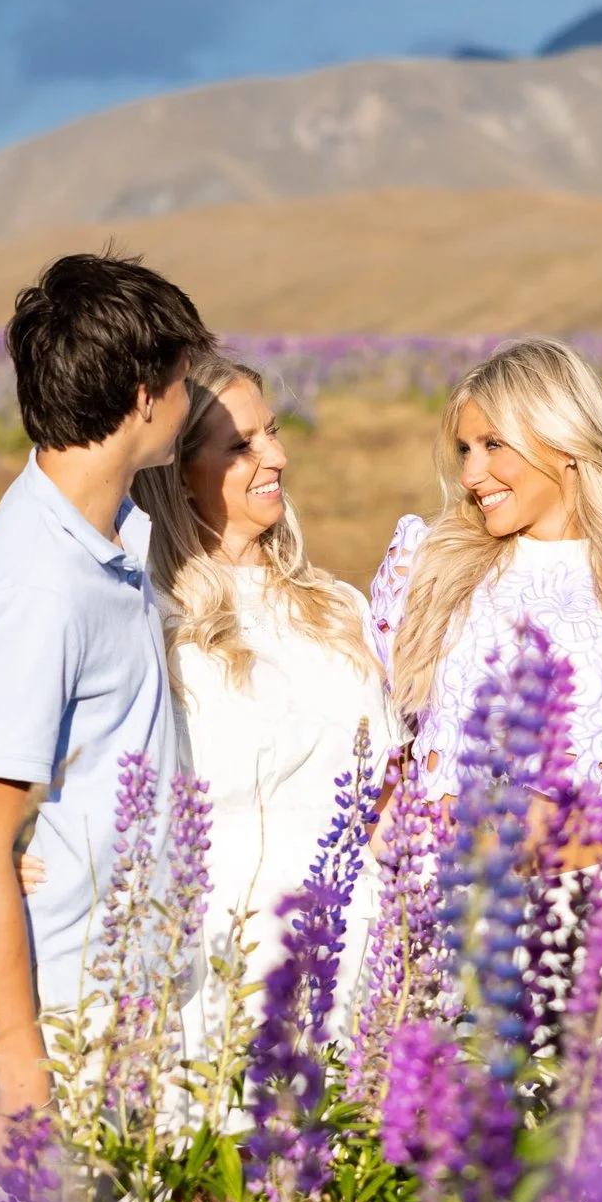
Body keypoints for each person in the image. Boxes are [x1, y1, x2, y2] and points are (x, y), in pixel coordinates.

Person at [0, 251, 212, 1196]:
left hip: (117, 993)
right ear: (141, 397)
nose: (191, 399)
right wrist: (22, 1082)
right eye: (181, 380)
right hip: (52, 1011)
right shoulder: (37, 588)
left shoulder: (106, 539)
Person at [128, 354, 396, 1039]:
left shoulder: (337, 606)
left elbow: (389, 794)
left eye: (272, 432)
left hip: (358, 945)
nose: (276, 454)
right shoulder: (155, 622)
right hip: (226, 961)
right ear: (180, 476)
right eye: (242, 445)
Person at [369, 337, 602, 814]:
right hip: (446, 879)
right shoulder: (428, 561)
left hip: (592, 883)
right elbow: (375, 738)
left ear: (566, 443)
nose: (470, 475)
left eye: (493, 445)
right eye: (465, 449)